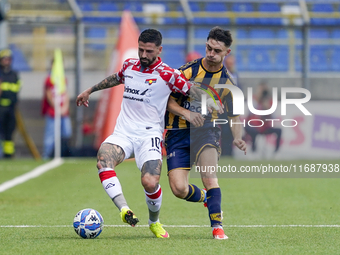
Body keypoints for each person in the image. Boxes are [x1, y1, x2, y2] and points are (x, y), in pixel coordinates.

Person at [76, 29, 203, 238]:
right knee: (103, 159)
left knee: (150, 182)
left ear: (159, 50)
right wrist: (90, 90)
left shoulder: (169, 74)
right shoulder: (129, 65)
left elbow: (191, 91)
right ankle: (124, 209)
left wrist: (212, 103)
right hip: (123, 132)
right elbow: (116, 78)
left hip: (149, 135)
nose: (143, 55)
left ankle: (154, 222)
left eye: (149, 51)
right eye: (141, 49)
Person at [165, 27, 247, 240]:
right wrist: (187, 114)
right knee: (179, 189)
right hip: (178, 132)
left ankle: (217, 227)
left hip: (207, 132)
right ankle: (205, 197)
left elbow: (235, 117)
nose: (211, 53)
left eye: (216, 51)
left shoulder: (229, 84)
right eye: (208, 48)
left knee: (209, 177)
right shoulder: (186, 72)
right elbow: (167, 101)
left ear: (226, 53)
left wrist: (237, 137)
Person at [41, 60, 72, 159]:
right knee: (50, 135)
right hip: (52, 112)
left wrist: (64, 108)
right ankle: (46, 155)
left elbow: (66, 93)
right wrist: (57, 107)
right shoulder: (49, 79)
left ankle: (64, 153)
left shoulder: (63, 78)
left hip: (63, 112)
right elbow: (49, 94)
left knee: (67, 132)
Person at [245, 82, 282, 154]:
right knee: (253, 131)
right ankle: (253, 150)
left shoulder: (270, 101)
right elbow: (250, 111)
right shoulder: (254, 99)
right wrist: (258, 99)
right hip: (254, 125)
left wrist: (268, 108)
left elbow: (274, 116)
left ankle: (276, 151)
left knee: (279, 130)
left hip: (265, 127)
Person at [0, 49, 21, 158]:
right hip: (1, 107)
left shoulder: (14, 75)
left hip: (11, 108)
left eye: (8, 59)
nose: (6, 61)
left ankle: (8, 155)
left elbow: (16, 90)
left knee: (9, 133)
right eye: (4, 59)